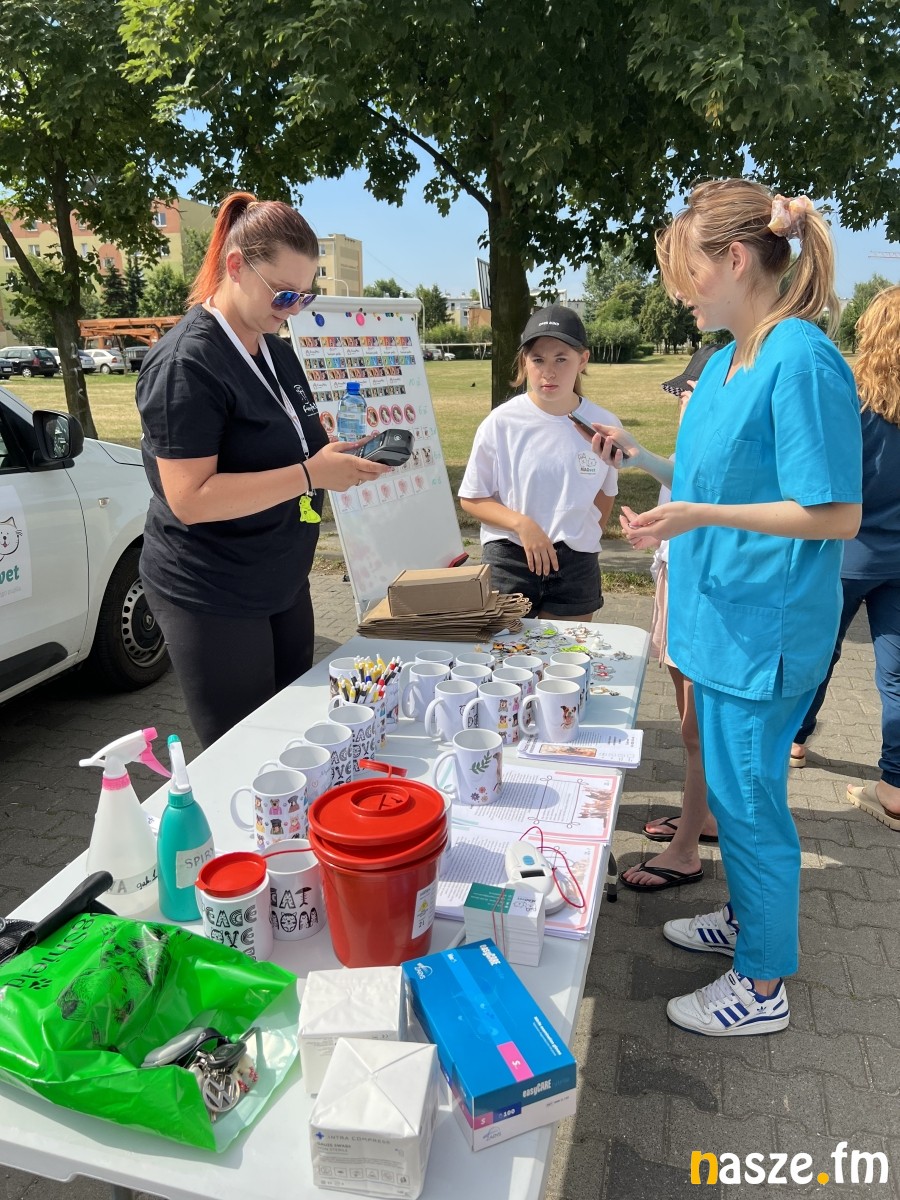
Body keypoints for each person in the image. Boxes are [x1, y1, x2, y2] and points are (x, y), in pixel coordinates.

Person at [591, 181, 862, 1036]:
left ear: (736, 259)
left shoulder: (800, 358)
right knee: (738, 794)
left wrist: (700, 514)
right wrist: (647, 465)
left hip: (763, 631)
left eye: (688, 272)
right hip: (716, 625)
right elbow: (709, 480)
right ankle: (747, 921)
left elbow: (835, 513)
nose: (680, 292)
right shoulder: (723, 363)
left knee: (749, 806)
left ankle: (762, 984)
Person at [137, 192, 388, 747]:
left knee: (296, 736)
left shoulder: (272, 348)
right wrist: (310, 475)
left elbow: (284, 442)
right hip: (212, 588)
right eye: (284, 293)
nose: (293, 307)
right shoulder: (186, 364)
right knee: (245, 751)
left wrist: (334, 455)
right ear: (235, 267)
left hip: (279, 577)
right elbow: (190, 498)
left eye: (306, 295)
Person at [789, 285, 900, 832]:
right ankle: (896, 782)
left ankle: (794, 738)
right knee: (896, 673)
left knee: (819, 651)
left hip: (847, 552)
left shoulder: (852, 400)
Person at [621, 350, 719, 893]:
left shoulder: (721, 446)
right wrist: (653, 535)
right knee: (690, 725)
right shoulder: (696, 443)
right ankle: (701, 817)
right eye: (682, 393)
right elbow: (684, 501)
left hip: (703, 596)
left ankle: (685, 852)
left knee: (696, 728)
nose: (682, 402)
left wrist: (640, 458)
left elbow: (708, 508)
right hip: (678, 583)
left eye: (689, 392)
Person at [458, 305, 619, 621]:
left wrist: (581, 539)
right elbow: (472, 498)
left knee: (569, 653)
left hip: (575, 567)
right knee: (505, 653)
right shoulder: (501, 423)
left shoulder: (604, 425)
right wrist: (523, 525)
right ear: (524, 362)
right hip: (510, 559)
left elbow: (605, 493)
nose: (549, 372)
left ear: (583, 359)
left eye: (561, 359)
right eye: (538, 360)